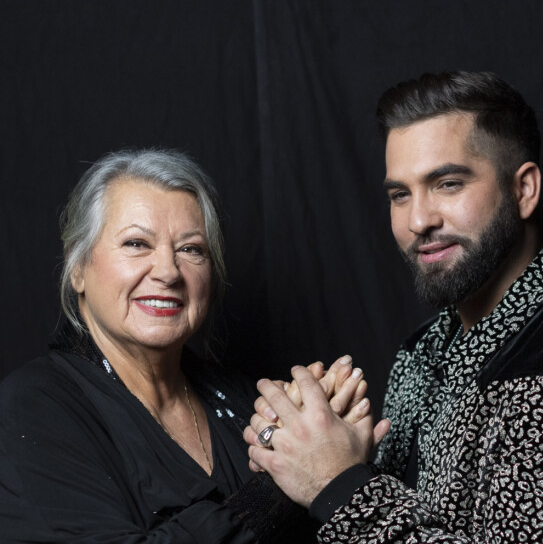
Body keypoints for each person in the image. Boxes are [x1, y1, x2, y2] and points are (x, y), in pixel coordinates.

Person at [245, 71, 543, 541]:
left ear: (523, 189)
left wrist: (338, 483)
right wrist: (301, 452)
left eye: (447, 183)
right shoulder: (423, 351)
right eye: (400, 194)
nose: (418, 220)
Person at [0, 148, 359, 542]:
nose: (169, 272)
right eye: (137, 243)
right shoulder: (31, 409)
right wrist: (285, 482)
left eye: (191, 249)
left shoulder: (242, 401)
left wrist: (328, 449)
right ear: (78, 268)